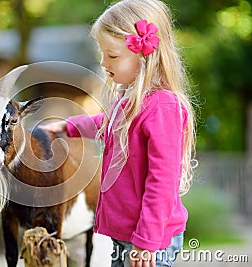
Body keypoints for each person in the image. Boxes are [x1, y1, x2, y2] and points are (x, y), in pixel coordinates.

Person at [39, 0, 197, 266]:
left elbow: (162, 182)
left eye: (112, 56)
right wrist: (68, 126)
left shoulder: (162, 107)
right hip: (127, 235)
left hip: (149, 241)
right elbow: (107, 122)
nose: (103, 62)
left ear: (145, 54)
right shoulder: (131, 103)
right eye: (102, 54)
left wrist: (146, 243)